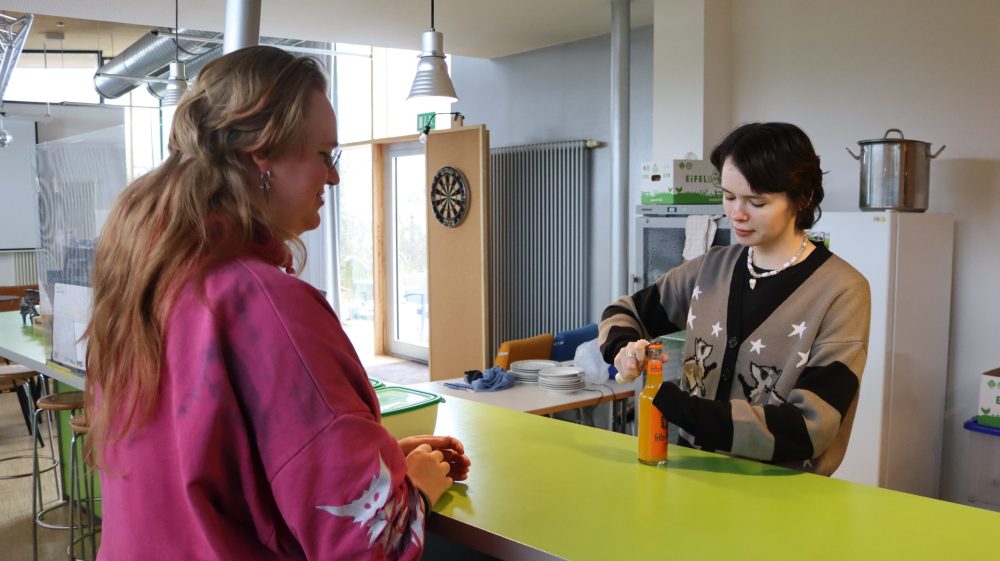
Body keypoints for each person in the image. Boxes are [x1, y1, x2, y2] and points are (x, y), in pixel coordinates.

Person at [84, 46, 469, 560]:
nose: (332, 177)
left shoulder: (148, 281)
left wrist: (378, 471)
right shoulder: (268, 306)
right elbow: (376, 545)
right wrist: (414, 487)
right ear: (262, 153)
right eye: (323, 155)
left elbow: (217, 474)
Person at [599, 122, 870, 476]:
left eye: (757, 202)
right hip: (690, 475)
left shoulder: (842, 290)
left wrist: (680, 407)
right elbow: (623, 312)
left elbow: (810, 428)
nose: (737, 214)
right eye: (728, 197)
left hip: (779, 493)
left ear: (801, 198)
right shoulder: (712, 267)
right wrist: (623, 349)